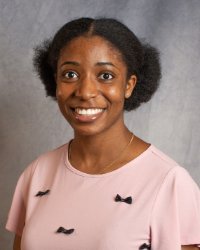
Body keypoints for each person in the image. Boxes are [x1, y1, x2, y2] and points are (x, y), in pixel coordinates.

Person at [6, 17, 200, 250]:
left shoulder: (169, 182)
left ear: (129, 85)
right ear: (55, 81)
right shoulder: (36, 174)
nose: (86, 91)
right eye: (70, 74)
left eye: (105, 75)